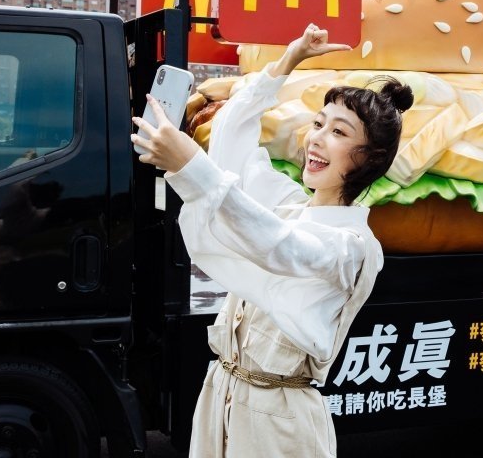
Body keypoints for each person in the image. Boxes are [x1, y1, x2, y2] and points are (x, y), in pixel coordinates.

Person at [132, 24, 413, 457]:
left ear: (370, 159)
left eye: (339, 132)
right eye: (318, 124)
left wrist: (190, 166)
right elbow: (233, 149)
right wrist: (289, 60)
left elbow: (281, 247)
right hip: (220, 395)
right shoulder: (289, 205)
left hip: (279, 423)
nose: (318, 138)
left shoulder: (353, 246)